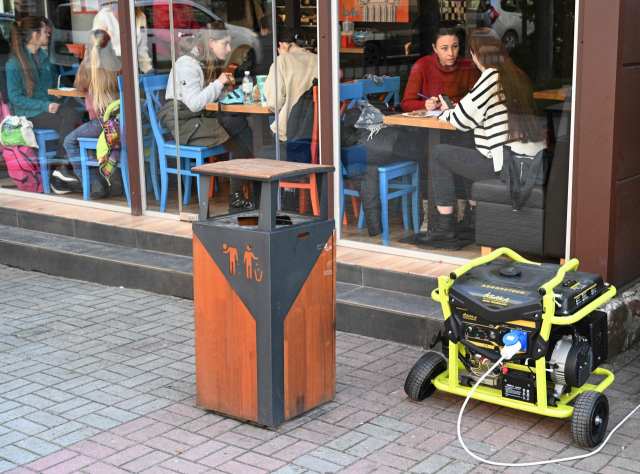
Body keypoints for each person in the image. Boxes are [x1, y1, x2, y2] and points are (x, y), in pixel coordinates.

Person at [417, 28, 546, 249]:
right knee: (471, 149)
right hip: (531, 162)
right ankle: (474, 218)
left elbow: (461, 119)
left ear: (477, 53)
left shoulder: (490, 77)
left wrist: (446, 110)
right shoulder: (517, 75)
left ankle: (444, 228)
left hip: (508, 165)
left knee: (439, 154)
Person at [156, 23, 254, 211]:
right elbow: (194, 103)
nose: (228, 49)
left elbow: (209, 96)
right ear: (210, 43)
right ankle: (260, 173)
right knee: (238, 125)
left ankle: (240, 195)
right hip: (183, 122)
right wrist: (218, 83)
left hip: (196, 116)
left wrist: (234, 94)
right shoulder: (188, 65)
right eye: (224, 44)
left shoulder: (205, 62)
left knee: (239, 130)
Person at [6, 16, 84, 194]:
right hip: (29, 113)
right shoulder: (14, 64)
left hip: (50, 105)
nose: (48, 34)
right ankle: (59, 172)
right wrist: (44, 105)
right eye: (44, 32)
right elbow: (15, 97)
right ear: (35, 35)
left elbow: (50, 86)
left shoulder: (46, 58)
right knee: (71, 126)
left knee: (75, 116)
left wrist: (57, 91)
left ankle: (58, 172)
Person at [62, 29, 124, 200]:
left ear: (89, 47)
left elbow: (79, 87)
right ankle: (115, 181)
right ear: (109, 45)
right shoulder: (119, 63)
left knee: (69, 142)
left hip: (101, 124)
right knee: (94, 140)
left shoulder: (87, 66)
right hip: (122, 122)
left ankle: (94, 184)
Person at [401, 28, 479, 113]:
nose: (451, 53)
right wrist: (425, 105)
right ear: (435, 48)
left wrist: (459, 104)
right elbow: (406, 104)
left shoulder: (467, 65)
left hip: (460, 119)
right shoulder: (422, 65)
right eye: (444, 48)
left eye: (455, 46)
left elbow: (479, 98)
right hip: (430, 123)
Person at [263, 28, 318, 142]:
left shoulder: (282, 61)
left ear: (281, 45)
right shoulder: (320, 59)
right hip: (319, 126)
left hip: (290, 130)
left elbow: (274, 102)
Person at [93, 1, 155, 74]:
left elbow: (141, 49)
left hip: (131, 68)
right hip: (108, 68)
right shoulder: (103, 16)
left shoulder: (141, 17)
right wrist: (104, 40)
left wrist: (148, 70)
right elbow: (95, 45)